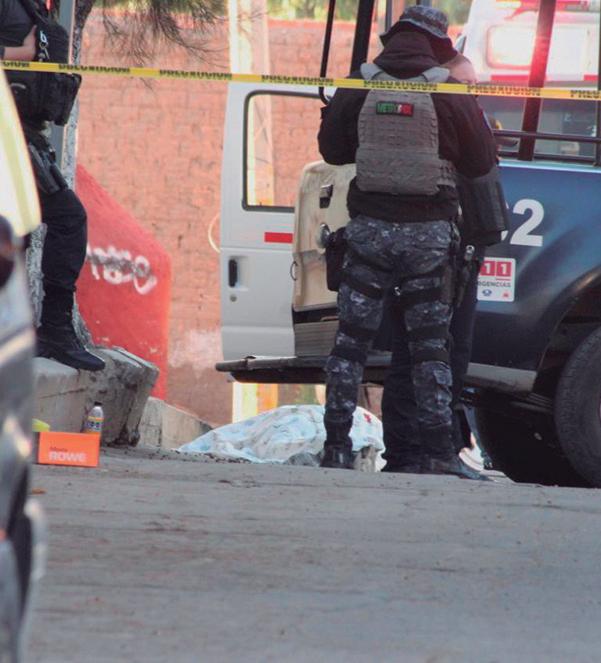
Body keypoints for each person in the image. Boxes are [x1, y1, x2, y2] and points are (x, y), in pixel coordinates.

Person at [317, 6, 499, 477]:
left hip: (368, 233)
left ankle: (335, 447)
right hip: (428, 239)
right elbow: (481, 161)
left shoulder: (360, 82)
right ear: (438, 44)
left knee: (349, 346)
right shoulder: (447, 88)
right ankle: (438, 453)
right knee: (430, 349)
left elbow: (332, 151)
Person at [380, 53, 505, 474]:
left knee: (454, 353)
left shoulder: (468, 118)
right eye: (465, 85)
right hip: (431, 251)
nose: (473, 94)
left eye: (475, 86)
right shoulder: (435, 121)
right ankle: (407, 453)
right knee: (415, 353)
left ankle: (439, 450)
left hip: (463, 250)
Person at [0, 0, 105, 372]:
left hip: (26, 137)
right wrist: (20, 53)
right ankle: (54, 331)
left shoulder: (36, 10)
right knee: (67, 217)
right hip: (7, 137)